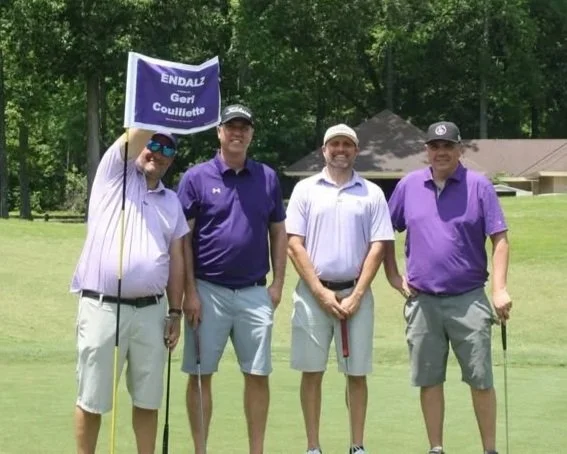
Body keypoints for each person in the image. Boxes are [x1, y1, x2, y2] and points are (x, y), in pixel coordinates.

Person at [384, 121, 512, 454]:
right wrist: (394, 277)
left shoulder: (479, 186)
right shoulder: (409, 186)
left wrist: (499, 289)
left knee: (481, 379)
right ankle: (436, 448)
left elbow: (499, 238)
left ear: (459, 149)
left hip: (468, 300)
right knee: (429, 380)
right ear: (427, 150)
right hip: (423, 302)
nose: (441, 152)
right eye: (434, 146)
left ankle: (489, 449)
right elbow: (384, 232)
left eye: (447, 146)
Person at [177, 103, 287, 454]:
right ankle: (201, 450)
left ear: (251, 133)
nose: (237, 132)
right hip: (207, 291)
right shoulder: (196, 177)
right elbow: (183, 240)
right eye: (231, 126)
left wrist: (278, 285)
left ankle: (257, 450)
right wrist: (189, 293)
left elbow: (279, 233)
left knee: (257, 374)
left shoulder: (267, 177)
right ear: (219, 132)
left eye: (244, 127)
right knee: (200, 375)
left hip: (255, 292)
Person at [71, 128, 188, 454]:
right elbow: (135, 135)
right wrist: (159, 98)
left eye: (167, 147)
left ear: (172, 158)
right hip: (103, 307)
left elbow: (176, 259)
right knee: (92, 399)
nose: (158, 151)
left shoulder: (172, 201)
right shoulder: (114, 173)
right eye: (153, 142)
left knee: (148, 400)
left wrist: (175, 311)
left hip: (151, 312)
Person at [286, 124, 395, 454]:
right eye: (335, 144)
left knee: (357, 373)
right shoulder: (305, 190)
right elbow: (294, 245)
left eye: (348, 144)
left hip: (356, 295)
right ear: (324, 150)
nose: (341, 149)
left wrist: (358, 294)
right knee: (311, 372)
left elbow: (378, 246)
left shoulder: (371, 193)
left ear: (356, 151)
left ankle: (357, 445)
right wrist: (320, 291)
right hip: (312, 295)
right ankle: (313, 446)